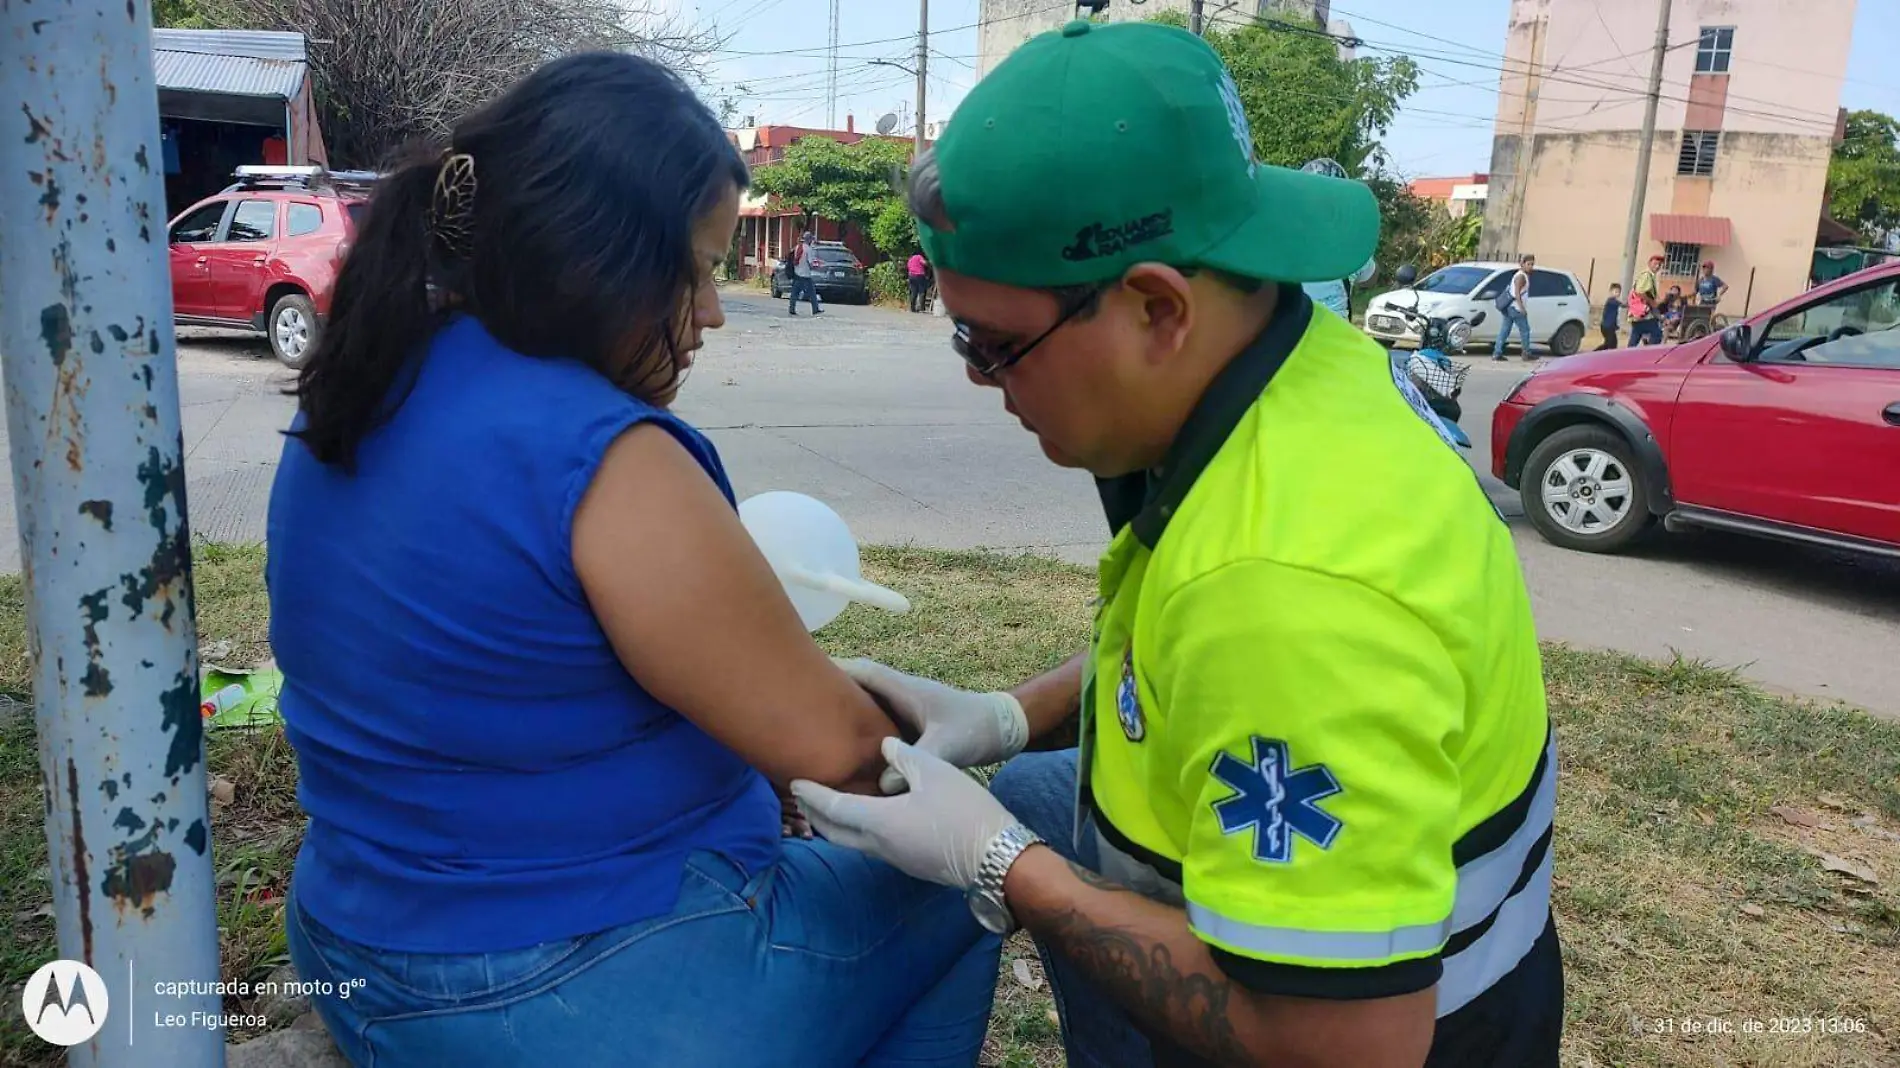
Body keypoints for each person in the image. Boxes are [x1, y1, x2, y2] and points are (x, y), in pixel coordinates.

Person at [792, 21, 1560, 1068]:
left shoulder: (1284, 593)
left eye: (994, 344)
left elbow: (1340, 1046)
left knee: (1018, 828)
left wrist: (1006, 869)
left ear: (1157, 307)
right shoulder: (1283, 355)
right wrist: (1011, 719)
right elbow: (1179, 655)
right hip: (1401, 928)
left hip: (1393, 1033)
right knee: (1027, 793)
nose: (979, 380)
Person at [268, 53, 999, 1067]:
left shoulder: (364, 386)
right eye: (696, 268)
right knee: (970, 872)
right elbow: (843, 762)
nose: (709, 314)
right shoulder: (603, 455)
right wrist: (1008, 728)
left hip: (355, 944)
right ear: (597, 258)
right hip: (555, 990)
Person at [1492, 253, 1535, 361]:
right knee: (1525, 330)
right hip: (1515, 308)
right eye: (1529, 264)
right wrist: (1522, 308)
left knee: (1505, 330)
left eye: (1532, 264)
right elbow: (1516, 293)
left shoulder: (1520, 275)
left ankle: (1497, 352)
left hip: (1510, 307)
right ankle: (1526, 353)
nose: (1530, 267)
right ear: (1523, 264)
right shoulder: (1521, 276)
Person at [1628, 254, 1664, 346]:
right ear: (1649, 263)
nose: (1657, 266)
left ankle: (1627, 355)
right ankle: (1649, 354)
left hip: (1636, 313)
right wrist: (1652, 302)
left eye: (1659, 265)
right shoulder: (1647, 275)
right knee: (1657, 333)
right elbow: (1640, 291)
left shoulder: (1647, 275)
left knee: (1636, 334)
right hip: (1643, 312)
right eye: (1655, 263)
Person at [788, 230, 824, 316]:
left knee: (794, 293)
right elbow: (811, 262)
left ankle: (791, 308)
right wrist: (818, 266)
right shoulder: (808, 249)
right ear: (809, 240)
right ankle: (815, 309)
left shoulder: (797, 247)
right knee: (812, 293)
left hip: (797, 273)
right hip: (805, 274)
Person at [1597, 282, 1622, 350]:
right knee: (1609, 344)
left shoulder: (1614, 302)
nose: (1617, 293)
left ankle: (1608, 356)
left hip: (1610, 327)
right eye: (1616, 291)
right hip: (1607, 327)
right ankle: (1594, 353)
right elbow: (1621, 304)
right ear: (1611, 292)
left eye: (1619, 292)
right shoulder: (1611, 301)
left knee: (1613, 343)